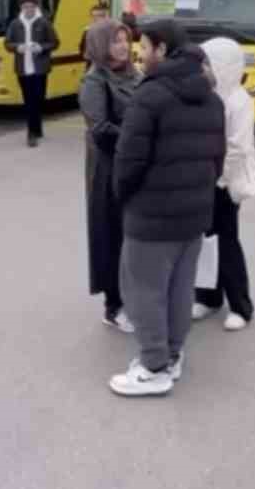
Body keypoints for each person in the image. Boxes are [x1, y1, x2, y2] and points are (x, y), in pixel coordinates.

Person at [108, 19, 225, 397]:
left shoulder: (150, 96)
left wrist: (123, 197)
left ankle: (154, 366)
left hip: (151, 215)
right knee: (179, 289)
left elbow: (128, 160)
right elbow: (217, 160)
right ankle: (172, 354)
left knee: (142, 290)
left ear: (161, 49)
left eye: (144, 46)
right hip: (194, 214)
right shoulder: (211, 96)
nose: (139, 53)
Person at [192, 37, 255, 331]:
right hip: (204, 179)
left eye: (208, 63)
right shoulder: (206, 95)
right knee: (205, 241)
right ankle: (208, 297)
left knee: (227, 242)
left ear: (224, 66)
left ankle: (240, 306)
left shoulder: (238, 100)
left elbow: (237, 147)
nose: (203, 69)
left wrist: (218, 177)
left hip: (225, 183)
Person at [79, 19, 142, 333]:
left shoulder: (134, 74)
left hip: (135, 164)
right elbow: (101, 129)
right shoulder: (95, 81)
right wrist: (139, 140)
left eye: (124, 40)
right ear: (100, 45)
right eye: (114, 41)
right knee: (111, 235)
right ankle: (113, 305)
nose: (122, 46)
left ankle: (133, 298)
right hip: (108, 169)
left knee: (133, 235)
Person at [7, 0, 59, 148]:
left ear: (36, 8)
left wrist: (41, 47)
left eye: (31, 6)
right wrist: (17, 47)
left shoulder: (44, 23)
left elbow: (55, 42)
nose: (28, 9)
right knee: (29, 101)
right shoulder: (15, 24)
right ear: (21, 9)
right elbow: (7, 43)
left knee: (38, 99)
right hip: (23, 69)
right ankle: (31, 134)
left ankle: (37, 127)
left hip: (40, 69)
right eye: (25, 7)